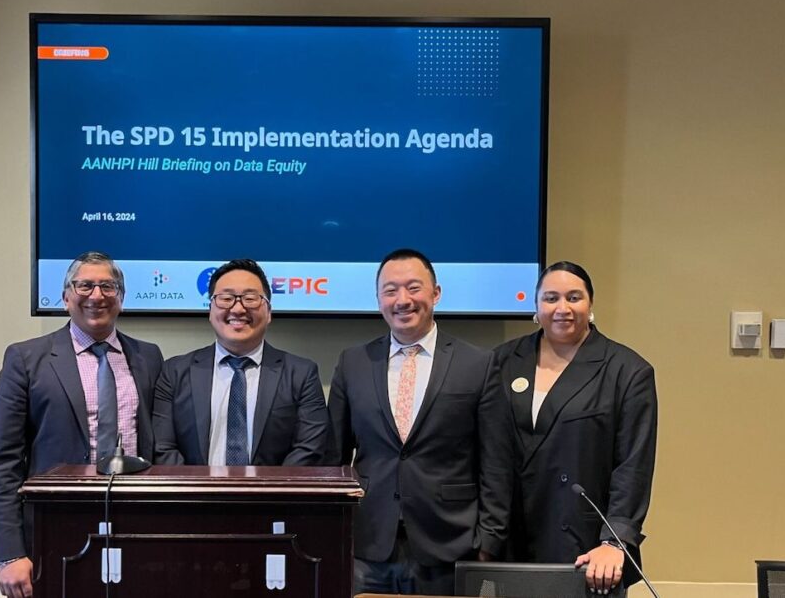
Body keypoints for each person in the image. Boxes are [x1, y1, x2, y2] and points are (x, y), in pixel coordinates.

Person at [327, 248, 513, 595]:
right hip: (368, 543)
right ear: (378, 298)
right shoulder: (353, 363)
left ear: (436, 293)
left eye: (414, 288)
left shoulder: (478, 363)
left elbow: (497, 462)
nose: (402, 300)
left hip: (450, 542)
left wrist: (489, 540)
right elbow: (332, 458)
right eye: (390, 290)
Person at [0, 251, 164, 598]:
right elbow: (1, 462)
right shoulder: (26, 359)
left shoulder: (148, 357)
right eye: (84, 286)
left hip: (137, 522)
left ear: (121, 299)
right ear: (66, 297)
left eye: (108, 287)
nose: (96, 296)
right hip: (56, 525)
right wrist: (9, 553)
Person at [493, 261, 657, 594]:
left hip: (586, 549)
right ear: (536, 307)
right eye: (551, 298)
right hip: (508, 540)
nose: (562, 308)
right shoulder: (502, 361)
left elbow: (633, 467)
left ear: (591, 304)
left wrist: (615, 541)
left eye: (574, 297)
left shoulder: (627, 371)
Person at [152, 259, 329, 466]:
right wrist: (200, 493)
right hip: (195, 496)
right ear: (210, 310)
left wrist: (262, 495)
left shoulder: (301, 373)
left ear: (269, 312)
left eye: (250, 298)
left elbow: (309, 449)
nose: (238, 309)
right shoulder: (174, 372)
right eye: (226, 298)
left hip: (276, 496)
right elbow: (163, 448)